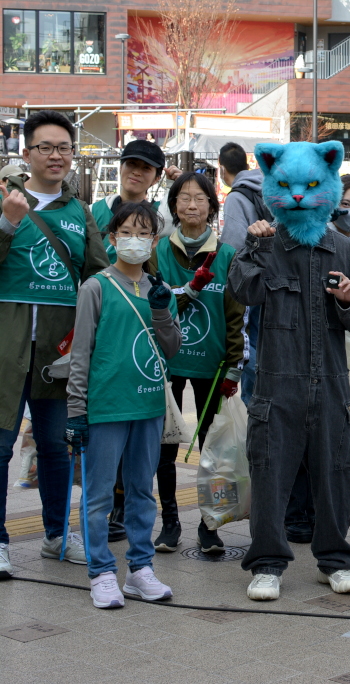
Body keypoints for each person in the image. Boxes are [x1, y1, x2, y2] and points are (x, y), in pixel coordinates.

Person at [228, 140, 350, 601]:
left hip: (332, 383)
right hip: (275, 382)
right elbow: (241, 292)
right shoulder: (266, 243)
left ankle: (335, 561)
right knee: (269, 473)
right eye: (287, 186)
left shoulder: (346, 250)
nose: (297, 196)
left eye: (308, 186)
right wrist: (253, 244)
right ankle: (267, 564)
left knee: (335, 474)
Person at [0, 110, 109, 579]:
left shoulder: (80, 212)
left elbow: (98, 277)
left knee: (54, 446)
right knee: (0, 448)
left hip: (58, 356)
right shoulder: (5, 202)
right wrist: (7, 224)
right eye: (45, 147)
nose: (56, 155)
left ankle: (56, 534)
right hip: (6, 350)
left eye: (64, 147)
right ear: (26, 154)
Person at [65, 201, 182, 609]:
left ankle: (140, 569)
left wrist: (163, 310)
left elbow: (171, 348)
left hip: (148, 406)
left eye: (144, 233)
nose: (135, 240)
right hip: (106, 407)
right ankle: (100, 572)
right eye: (127, 232)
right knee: (97, 495)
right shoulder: (95, 287)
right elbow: (81, 354)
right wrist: (76, 411)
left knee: (141, 492)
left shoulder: (158, 289)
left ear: (154, 241)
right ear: (112, 238)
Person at [150, 171, 245, 554]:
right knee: (164, 447)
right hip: (167, 362)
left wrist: (234, 363)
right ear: (173, 205)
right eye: (184, 198)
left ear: (212, 206)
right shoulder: (157, 253)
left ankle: (212, 524)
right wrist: (186, 290)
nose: (191, 205)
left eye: (200, 198)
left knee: (215, 450)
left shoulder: (227, 256)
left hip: (213, 364)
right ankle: (170, 522)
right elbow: (156, 306)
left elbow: (236, 316)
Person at [219, 142, 269, 407]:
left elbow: (233, 244)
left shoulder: (238, 196)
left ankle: (252, 403)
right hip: (275, 279)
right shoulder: (266, 186)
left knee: (250, 346)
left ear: (221, 168)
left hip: (251, 281)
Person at [92, 141, 180, 264]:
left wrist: (177, 186)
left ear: (156, 179)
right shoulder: (94, 211)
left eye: (146, 168)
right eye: (132, 164)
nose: (137, 172)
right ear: (121, 167)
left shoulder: (159, 215)